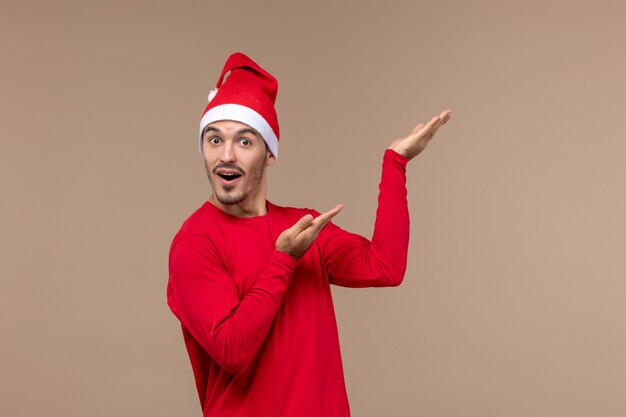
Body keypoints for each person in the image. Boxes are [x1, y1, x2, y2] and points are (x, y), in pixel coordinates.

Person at [167, 52, 451, 417]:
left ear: (269, 153)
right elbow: (233, 350)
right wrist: (284, 259)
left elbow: (385, 266)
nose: (227, 156)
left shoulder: (302, 225)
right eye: (214, 140)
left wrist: (395, 164)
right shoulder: (195, 243)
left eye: (245, 142)